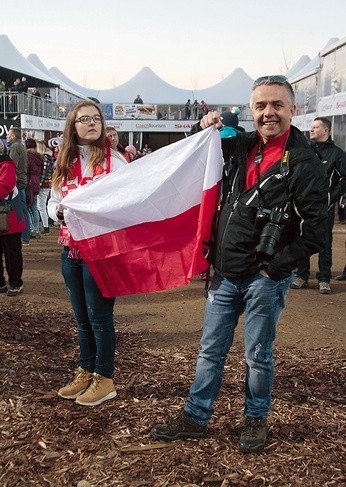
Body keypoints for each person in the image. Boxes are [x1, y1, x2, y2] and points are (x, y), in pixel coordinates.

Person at [150, 75, 328, 453]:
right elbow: (194, 161)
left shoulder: (305, 163)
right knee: (209, 350)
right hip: (224, 274)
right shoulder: (242, 145)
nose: (269, 113)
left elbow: (316, 232)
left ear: (293, 110)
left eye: (277, 105)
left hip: (264, 278)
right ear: (251, 111)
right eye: (261, 106)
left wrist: (274, 269)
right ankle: (196, 418)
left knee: (257, 354)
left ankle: (255, 418)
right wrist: (202, 130)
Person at [47, 100, 127, 407]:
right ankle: (86, 370)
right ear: (73, 126)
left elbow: (128, 201)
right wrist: (57, 213)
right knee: (82, 318)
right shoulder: (64, 160)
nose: (91, 123)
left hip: (102, 251)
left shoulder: (115, 161)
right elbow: (52, 201)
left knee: (100, 318)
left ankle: (104, 378)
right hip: (70, 248)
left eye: (96, 118)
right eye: (84, 119)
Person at [291, 117, 346, 294]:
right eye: (311, 127)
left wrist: (330, 198)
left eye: (315, 127)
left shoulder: (337, 154)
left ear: (326, 131)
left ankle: (324, 278)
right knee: (301, 239)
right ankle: (301, 275)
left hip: (325, 208)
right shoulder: (305, 151)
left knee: (325, 242)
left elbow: (344, 179)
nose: (311, 130)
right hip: (302, 207)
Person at [0, 140, 25, 296]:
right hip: (6, 216)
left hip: (10, 218)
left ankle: (16, 282)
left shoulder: (7, 165)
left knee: (12, 253)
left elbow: (4, 188)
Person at [6, 127, 31, 245]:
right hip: (21, 180)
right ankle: (25, 236)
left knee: (20, 210)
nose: (6, 137)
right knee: (23, 210)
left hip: (17, 182)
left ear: (13, 136)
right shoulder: (19, 146)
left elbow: (12, 165)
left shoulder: (15, 147)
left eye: (8, 135)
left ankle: (25, 236)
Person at [25, 138, 44, 238]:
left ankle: (32, 228)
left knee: (26, 207)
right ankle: (36, 229)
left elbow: (26, 170)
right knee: (34, 208)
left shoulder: (28, 157)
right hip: (36, 184)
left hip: (29, 184)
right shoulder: (39, 158)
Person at [36, 140, 55, 234]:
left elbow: (43, 173)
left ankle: (45, 226)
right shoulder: (49, 158)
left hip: (44, 184)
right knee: (42, 205)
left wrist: (39, 184)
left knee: (41, 206)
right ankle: (45, 225)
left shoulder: (45, 158)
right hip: (47, 183)